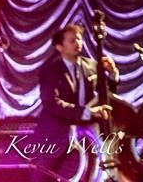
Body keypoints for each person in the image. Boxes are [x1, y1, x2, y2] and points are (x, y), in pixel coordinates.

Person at [30, 23, 119, 182]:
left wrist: (113, 74)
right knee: (44, 175)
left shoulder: (91, 65)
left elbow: (106, 94)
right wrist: (86, 112)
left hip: (87, 135)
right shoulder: (50, 70)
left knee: (90, 174)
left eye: (79, 39)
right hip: (55, 133)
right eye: (72, 40)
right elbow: (52, 103)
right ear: (59, 46)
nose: (78, 43)